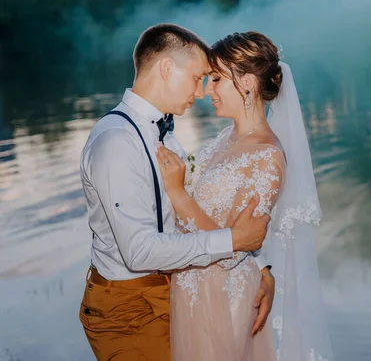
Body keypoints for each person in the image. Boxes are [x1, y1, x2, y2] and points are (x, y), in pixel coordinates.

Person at [78, 24, 274, 361]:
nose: (200, 93)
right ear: (167, 69)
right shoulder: (116, 142)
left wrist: (261, 268)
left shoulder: (165, 134)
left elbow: (196, 213)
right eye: (198, 77)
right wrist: (233, 240)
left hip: (174, 294)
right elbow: (138, 253)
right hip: (129, 310)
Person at [157, 31, 334, 361]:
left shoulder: (267, 156)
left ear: (249, 84)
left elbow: (234, 250)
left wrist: (178, 192)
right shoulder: (226, 137)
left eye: (217, 79)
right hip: (194, 287)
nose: (208, 90)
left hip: (223, 297)